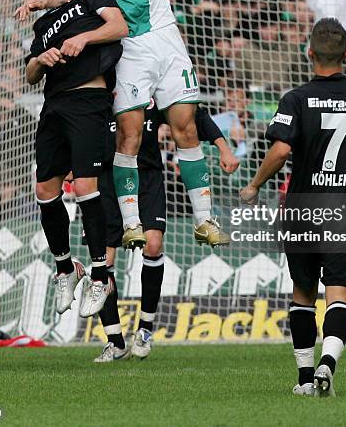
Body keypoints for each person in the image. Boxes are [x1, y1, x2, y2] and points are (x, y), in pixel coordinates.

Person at [20, 0, 264, 251]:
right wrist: (38, 0)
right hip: (128, 46)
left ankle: (204, 220)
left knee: (185, 124)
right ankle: (131, 223)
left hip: (167, 39)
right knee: (129, 135)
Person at [240, 18, 346, 396]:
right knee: (339, 294)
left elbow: (280, 150)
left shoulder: (296, 99)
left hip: (303, 208)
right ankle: (327, 365)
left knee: (302, 292)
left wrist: (254, 185)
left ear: (309, 52)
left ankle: (303, 378)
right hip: (345, 207)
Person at [93, 102, 240, 362]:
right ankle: (114, 342)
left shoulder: (151, 90)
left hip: (147, 176)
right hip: (106, 179)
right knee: (104, 260)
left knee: (153, 245)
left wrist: (224, 148)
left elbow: (194, 115)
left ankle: (145, 330)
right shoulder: (104, 88)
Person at [24, 0, 128, 319]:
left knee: (85, 186)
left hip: (88, 100)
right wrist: (42, 57)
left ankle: (100, 274)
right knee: (45, 191)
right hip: (54, 105)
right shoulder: (44, 22)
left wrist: (83, 37)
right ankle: (66, 268)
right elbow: (30, 74)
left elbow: (118, 26)